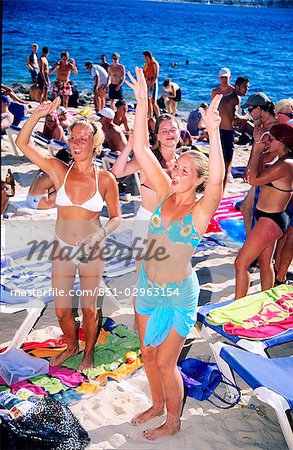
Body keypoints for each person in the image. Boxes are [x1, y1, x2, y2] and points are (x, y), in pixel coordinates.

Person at [125, 67, 224, 440]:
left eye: (185, 169)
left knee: (166, 364)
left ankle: (172, 421)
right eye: (176, 166)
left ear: (197, 178)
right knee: (147, 356)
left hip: (178, 294)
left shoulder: (200, 211)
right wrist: (140, 103)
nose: (176, 170)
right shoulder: (164, 192)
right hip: (147, 287)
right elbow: (139, 149)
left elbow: (217, 179)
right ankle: (154, 403)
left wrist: (213, 131)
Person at [16, 96, 121, 371]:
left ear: (95, 144)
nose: (76, 143)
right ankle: (71, 345)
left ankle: (87, 353)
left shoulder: (106, 179)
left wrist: (99, 236)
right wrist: (37, 115)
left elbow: (116, 218)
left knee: (89, 309)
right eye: (72, 138)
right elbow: (22, 144)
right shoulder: (59, 170)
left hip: (92, 249)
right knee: (62, 310)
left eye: (83, 138)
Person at [112, 112, 181, 265]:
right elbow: (117, 172)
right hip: (148, 222)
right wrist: (130, 146)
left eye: (173, 129)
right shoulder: (148, 159)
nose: (169, 134)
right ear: (157, 136)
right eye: (164, 131)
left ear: (179, 132)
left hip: (173, 223)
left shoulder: (182, 162)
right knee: (144, 275)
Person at [235, 124, 293, 299]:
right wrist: (257, 145)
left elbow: (253, 179)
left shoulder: (286, 165)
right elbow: (256, 166)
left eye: (271, 139)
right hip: (270, 218)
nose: (268, 141)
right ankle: (267, 300)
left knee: (240, 263)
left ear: (281, 142)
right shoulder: (281, 158)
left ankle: (237, 306)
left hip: (270, 219)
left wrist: (257, 150)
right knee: (264, 262)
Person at [240, 92, 279, 234]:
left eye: (250, 110)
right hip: (260, 174)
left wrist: (253, 166)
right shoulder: (261, 126)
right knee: (246, 208)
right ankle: (251, 245)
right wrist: (248, 167)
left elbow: (271, 156)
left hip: (269, 177)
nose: (249, 113)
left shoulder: (275, 128)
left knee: (256, 212)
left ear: (258, 109)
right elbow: (255, 149)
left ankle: (253, 247)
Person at [217, 76, 250, 188]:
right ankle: (221, 195)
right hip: (226, 134)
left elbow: (225, 116)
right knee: (227, 168)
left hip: (219, 132)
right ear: (237, 86)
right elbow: (235, 117)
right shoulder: (236, 98)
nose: (247, 90)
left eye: (248, 87)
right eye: (245, 87)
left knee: (218, 165)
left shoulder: (226, 98)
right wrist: (245, 117)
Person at [143, 50, 160, 119]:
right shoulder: (147, 64)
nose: (144, 58)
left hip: (153, 83)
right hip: (147, 82)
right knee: (148, 101)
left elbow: (156, 76)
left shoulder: (154, 64)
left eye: (144, 57)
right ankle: (150, 116)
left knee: (153, 102)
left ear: (147, 56)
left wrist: (150, 85)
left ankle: (158, 116)